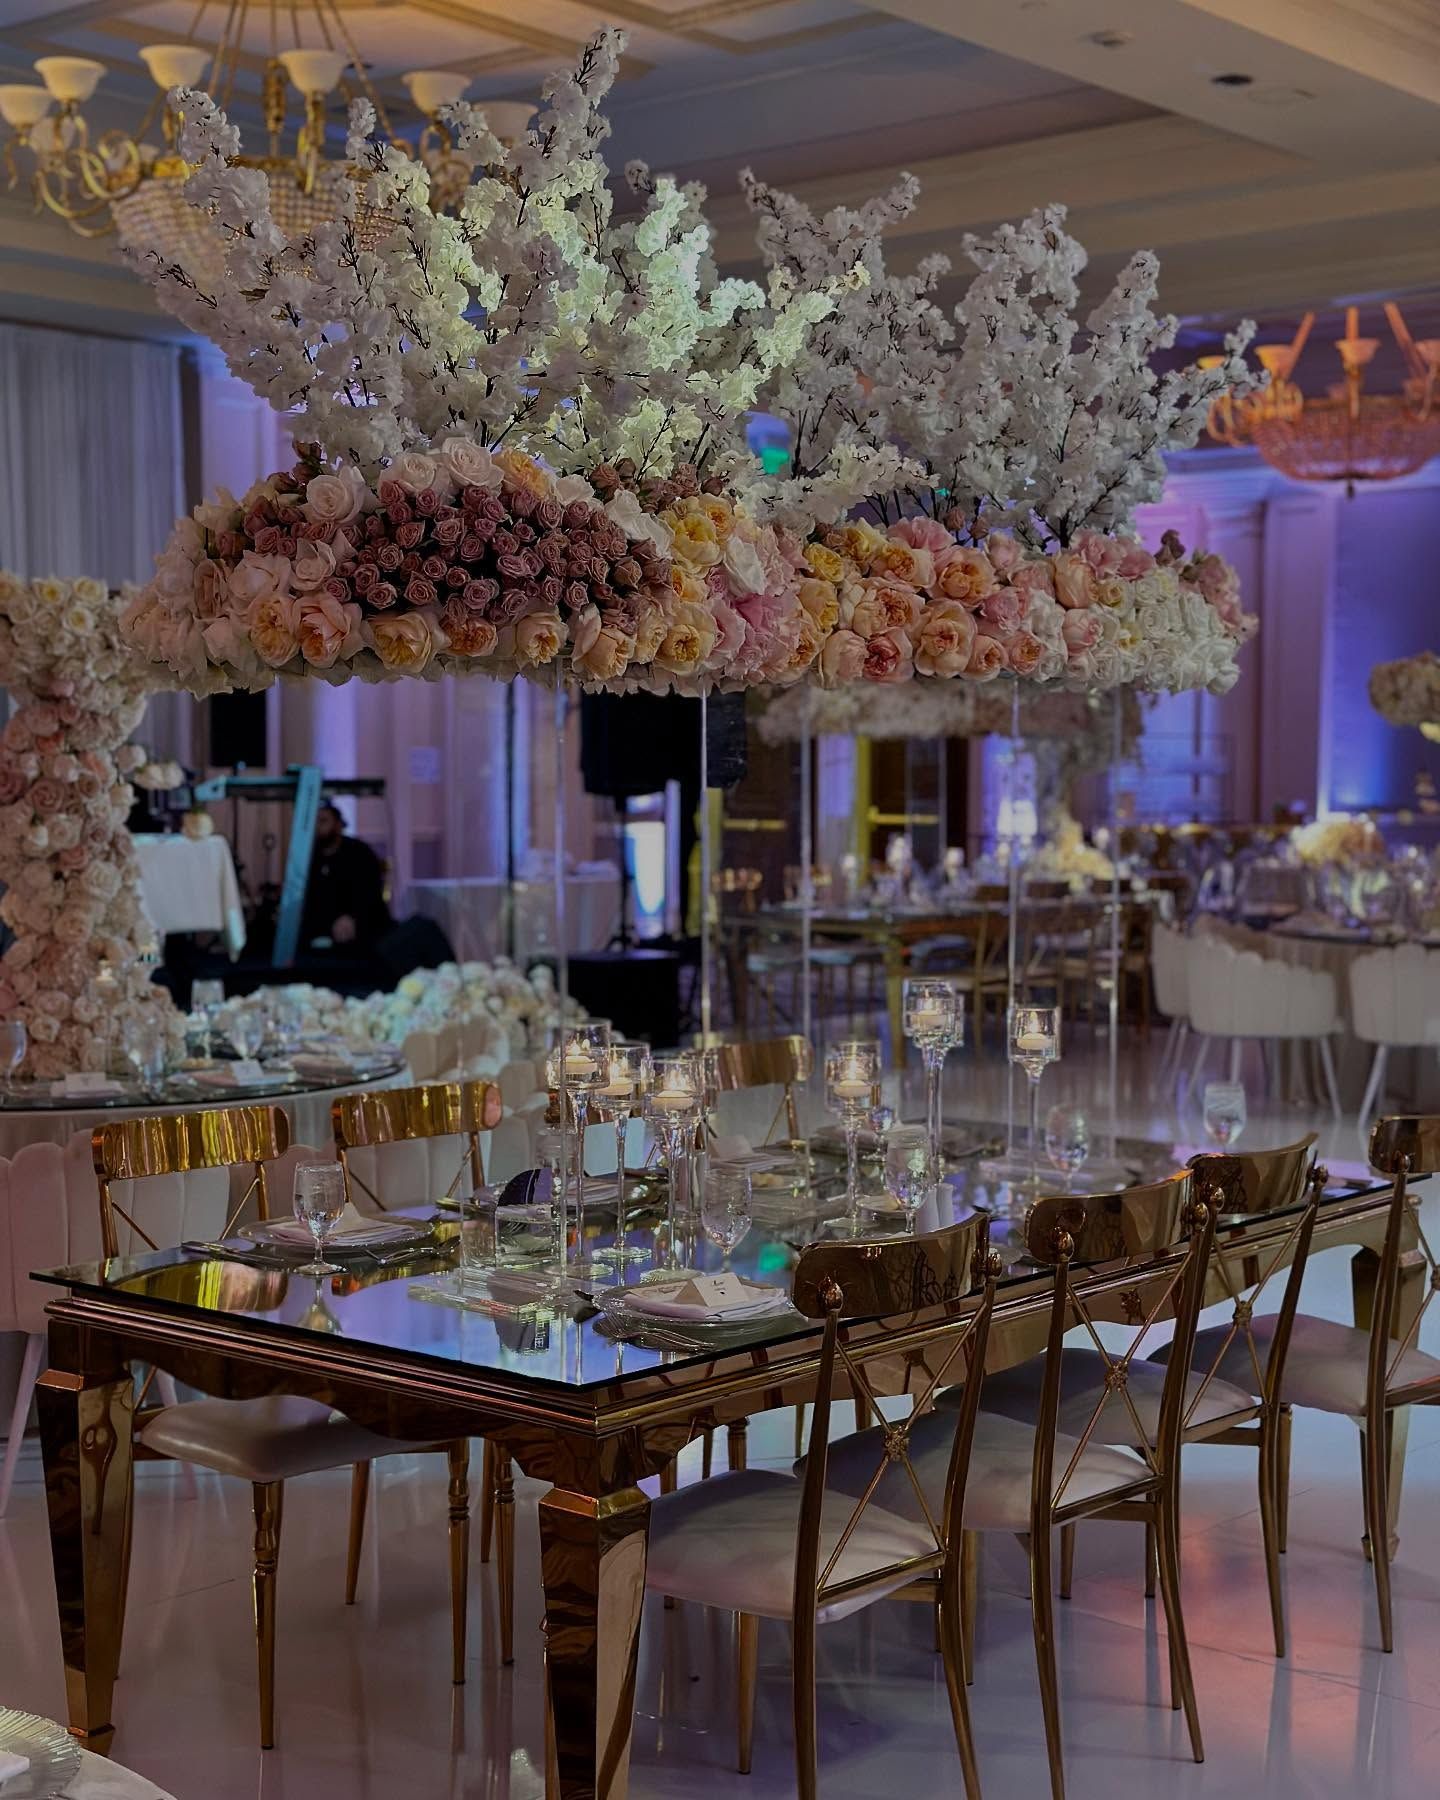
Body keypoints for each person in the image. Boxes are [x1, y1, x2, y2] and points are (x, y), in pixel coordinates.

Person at [300, 801, 391, 951]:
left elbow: (370, 894)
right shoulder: (310, 857)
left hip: (361, 929)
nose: (318, 827)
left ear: (338, 824)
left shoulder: (359, 853)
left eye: (323, 821)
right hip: (321, 933)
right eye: (315, 822)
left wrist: (353, 918)